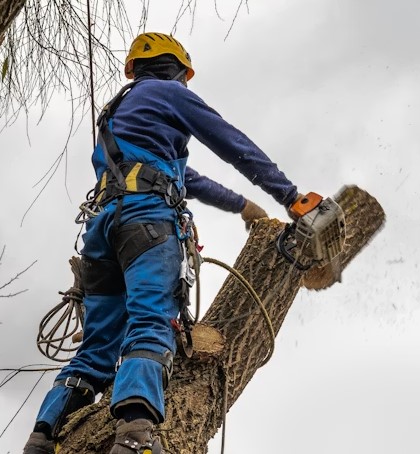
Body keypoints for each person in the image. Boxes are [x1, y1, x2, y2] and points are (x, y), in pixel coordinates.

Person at [24, 32, 300, 454]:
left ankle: (42, 435)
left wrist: (243, 205)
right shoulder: (169, 93)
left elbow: (188, 180)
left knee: (99, 345)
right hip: (147, 223)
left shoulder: (119, 114)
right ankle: (135, 434)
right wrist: (291, 197)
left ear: (135, 67)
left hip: (102, 231)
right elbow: (231, 142)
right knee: (152, 321)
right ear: (176, 69)